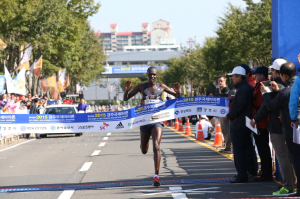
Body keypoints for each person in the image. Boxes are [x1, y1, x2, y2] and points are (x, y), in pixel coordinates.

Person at [123, 66, 181, 187]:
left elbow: (178, 98)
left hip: (157, 121)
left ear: (157, 75)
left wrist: (178, 91)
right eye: (150, 75)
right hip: (144, 121)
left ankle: (156, 176)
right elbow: (125, 99)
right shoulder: (141, 87)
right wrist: (127, 90)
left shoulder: (162, 87)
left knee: (156, 146)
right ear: (147, 75)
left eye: (154, 75)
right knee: (144, 150)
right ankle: (144, 144)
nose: (152, 77)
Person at [251, 58, 296, 196]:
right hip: (289, 126)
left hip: (279, 126)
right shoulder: (292, 85)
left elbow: (269, 106)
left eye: (273, 71)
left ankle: (288, 185)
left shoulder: (282, 88)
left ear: (280, 73)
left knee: (283, 157)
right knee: (291, 157)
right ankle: (293, 184)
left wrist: (266, 93)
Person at [226, 66, 257, 183]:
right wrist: (234, 98)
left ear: (239, 76)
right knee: (246, 149)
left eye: (233, 76)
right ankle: (248, 172)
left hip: (239, 124)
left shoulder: (243, 89)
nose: (232, 78)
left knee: (239, 151)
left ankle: (242, 175)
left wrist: (228, 115)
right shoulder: (244, 88)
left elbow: (240, 107)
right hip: (242, 124)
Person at [250, 66, 273, 182]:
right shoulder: (259, 85)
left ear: (262, 75)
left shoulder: (263, 85)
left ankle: (266, 173)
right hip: (259, 121)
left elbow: (261, 103)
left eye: (257, 74)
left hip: (261, 122)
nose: (255, 76)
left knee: (263, 149)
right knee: (262, 148)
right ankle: (265, 171)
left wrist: (250, 102)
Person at [218, 75, 231, 153]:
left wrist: (226, 114)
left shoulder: (226, 90)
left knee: (227, 130)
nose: (220, 82)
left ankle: (228, 147)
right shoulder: (222, 90)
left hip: (225, 113)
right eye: (219, 81)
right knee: (223, 130)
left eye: (221, 81)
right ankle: (227, 146)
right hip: (221, 112)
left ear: (225, 81)